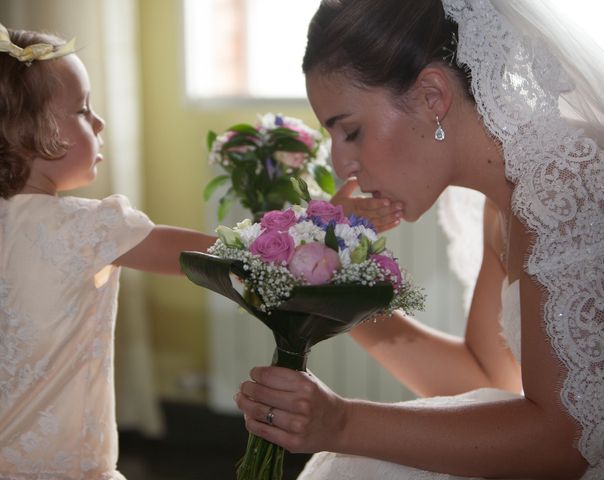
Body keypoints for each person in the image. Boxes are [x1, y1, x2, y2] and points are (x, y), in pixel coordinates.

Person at [234, 0, 604, 479]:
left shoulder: (564, 179)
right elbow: (486, 377)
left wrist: (341, 422)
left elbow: (569, 438)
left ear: (432, 96)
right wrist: (329, 287)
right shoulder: (506, 202)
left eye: (351, 131)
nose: (342, 165)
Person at [0, 25, 399, 479]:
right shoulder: (89, 229)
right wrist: (328, 219)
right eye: (82, 109)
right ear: (29, 131)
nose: (99, 122)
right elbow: (228, 254)